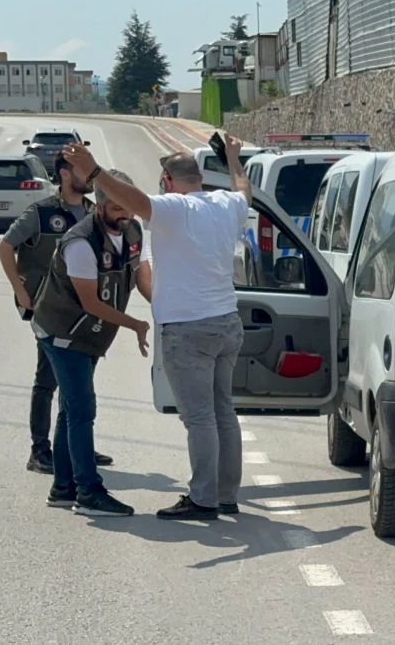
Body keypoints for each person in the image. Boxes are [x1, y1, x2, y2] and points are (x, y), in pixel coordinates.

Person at [62, 136, 250, 521]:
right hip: (228, 322)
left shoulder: (172, 208)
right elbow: (243, 187)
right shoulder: (228, 203)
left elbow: (129, 199)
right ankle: (226, 494)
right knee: (223, 412)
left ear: (166, 180)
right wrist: (233, 159)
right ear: (199, 177)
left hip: (188, 328)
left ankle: (203, 500)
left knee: (199, 418)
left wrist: (94, 171)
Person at [31, 170, 152, 517]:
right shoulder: (81, 242)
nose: (124, 212)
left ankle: (62, 488)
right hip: (64, 333)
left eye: (128, 203)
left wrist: (163, 303)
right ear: (99, 203)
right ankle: (87, 491)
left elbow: (139, 271)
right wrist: (136, 324)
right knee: (82, 410)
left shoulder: (131, 230)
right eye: (116, 205)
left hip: (89, 334)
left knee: (71, 409)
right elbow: (91, 303)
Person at [0, 153, 113, 475]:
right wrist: (20, 291)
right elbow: (4, 246)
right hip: (50, 311)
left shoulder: (93, 212)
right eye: (81, 170)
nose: (89, 176)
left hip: (85, 311)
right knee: (48, 380)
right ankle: (39, 451)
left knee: (79, 382)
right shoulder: (43, 212)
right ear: (64, 173)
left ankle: (77, 445)